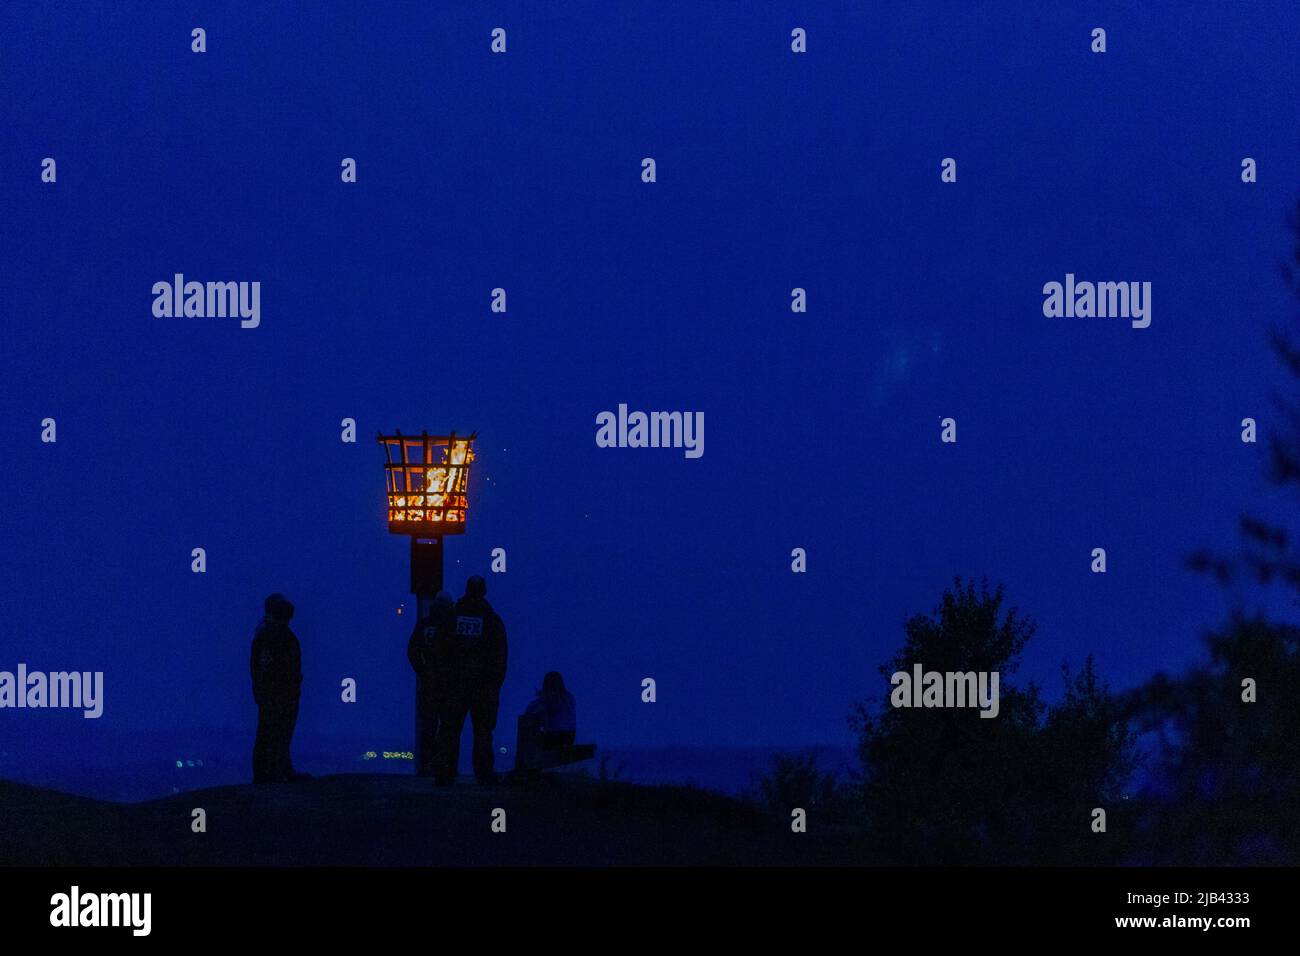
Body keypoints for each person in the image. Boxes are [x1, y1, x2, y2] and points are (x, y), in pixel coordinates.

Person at [437, 575, 508, 785]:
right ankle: (483, 773)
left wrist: (444, 679)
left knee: (450, 729)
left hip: (455, 685)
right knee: (483, 732)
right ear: (484, 591)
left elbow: (442, 649)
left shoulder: (452, 617)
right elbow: (500, 657)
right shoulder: (492, 620)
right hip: (482, 687)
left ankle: (445, 772)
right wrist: (494, 685)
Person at [250, 593, 308, 783]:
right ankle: (269, 774)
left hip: (280, 693)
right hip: (278, 694)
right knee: (272, 732)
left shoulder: (270, 634)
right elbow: (265, 666)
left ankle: (276, 771)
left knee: (276, 733)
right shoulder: (272, 635)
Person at [407, 591, 455, 776]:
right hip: (447, 684)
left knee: (428, 725)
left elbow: (412, 651)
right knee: (447, 726)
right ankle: (443, 765)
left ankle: (427, 764)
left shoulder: (424, 625)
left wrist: (423, 670)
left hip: (428, 684)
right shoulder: (451, 626)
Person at [524, 671, 577, 750]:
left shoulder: (551, 697)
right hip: (569, 737)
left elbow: (531, 710)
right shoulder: (569, 697)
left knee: (532, 725)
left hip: (555, 737)